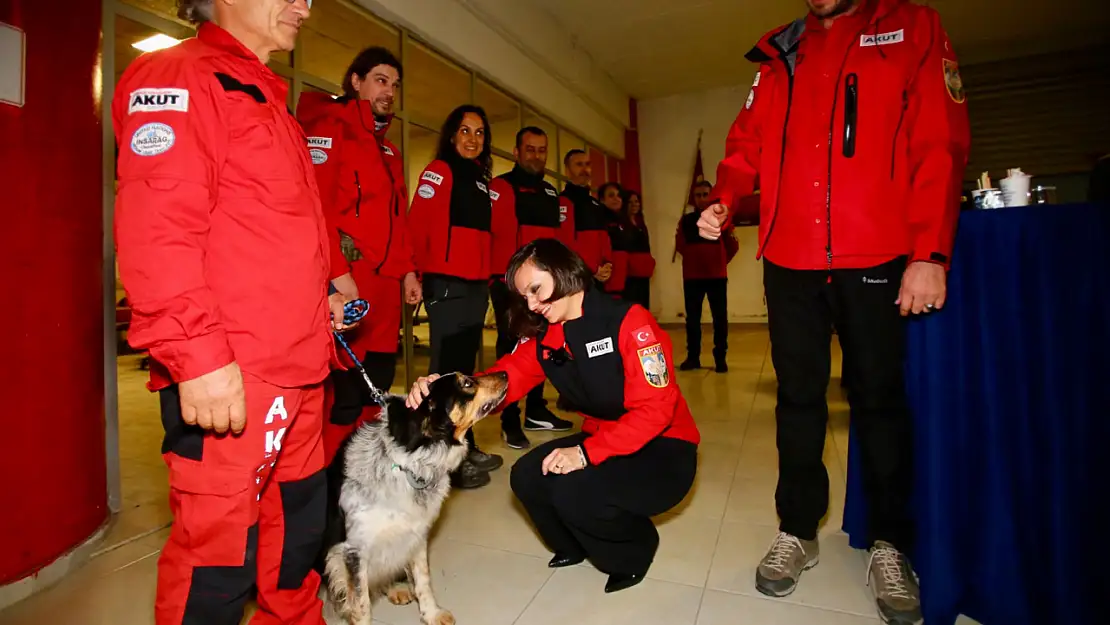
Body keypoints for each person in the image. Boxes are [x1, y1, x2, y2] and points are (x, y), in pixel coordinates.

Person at [696, 0, 970, 622]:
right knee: (797, 400)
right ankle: (798, 529)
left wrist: (929, 252)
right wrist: (726, 197)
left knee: (877, 398)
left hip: (874, 251)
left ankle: (890, 543)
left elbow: (939, 140)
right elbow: (746, 143)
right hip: (789, 257)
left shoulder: (911, 27)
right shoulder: (779, 52)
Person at [112, 1, 345, 624]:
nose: (304, 5)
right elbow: (158, 229)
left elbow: (273, 228)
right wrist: (197, 359)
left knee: (297, 531)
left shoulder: (268, 94)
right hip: (235, 371)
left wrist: (325, 299)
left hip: (300, 365)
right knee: (218, 557)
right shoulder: (180, 77)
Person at [405, 239, 700, 594]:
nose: (531, 304)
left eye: (536, 289)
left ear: (564, 272)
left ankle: (634, 549)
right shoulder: (547, 337)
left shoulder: (629, 322)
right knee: (528, 476)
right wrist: (444, 386)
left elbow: (656, 411)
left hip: (664, 449)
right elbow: (504, 378)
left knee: (575, 491)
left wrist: (584, 454)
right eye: (524, 296)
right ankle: (574, 545)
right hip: (604, 440)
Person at [296, 46, 422, 466]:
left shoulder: (390, 152)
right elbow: (315, 209)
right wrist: (338, 275)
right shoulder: (331, 127)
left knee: (378, 387)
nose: (390, 91)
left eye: (395, 84)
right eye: (381, 80)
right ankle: (329, 487)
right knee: (344, 394)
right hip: (349, 284)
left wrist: (408, 274)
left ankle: (365, 478)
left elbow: (398, 219)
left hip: (386, 294)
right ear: (356, 81)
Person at [408, 104, 503, 488]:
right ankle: (442, 461)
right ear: (451, 136)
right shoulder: (439, 171)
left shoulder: (482, 180)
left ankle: (464, 445)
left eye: (479, 133)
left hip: (476, 285)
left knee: (465, 375)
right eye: (465, 131)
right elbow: (417, 224)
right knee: (445, 375)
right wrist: (412, 274)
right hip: (447, 282)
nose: (472, 139)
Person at [489, 126, 575, 449]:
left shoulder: (552, 193)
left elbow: (558, 242)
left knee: (545, 344)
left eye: (542, 150)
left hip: (545, 285)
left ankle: (536, 411)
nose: (536, 155)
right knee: (511, 348)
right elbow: (492, 235)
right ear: (516, 152)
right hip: (508, 284)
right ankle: (509, 419)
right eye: (530, 149)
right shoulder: (500, 187)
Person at [675, 180, 738, 373]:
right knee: (692, 319)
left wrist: (718, 261)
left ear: (711, 196)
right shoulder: (685, 220)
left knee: (720, 318)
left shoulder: (722, 217)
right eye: (698, 195)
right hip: (692, 277)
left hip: (716, 276)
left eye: (705, 194)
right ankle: (693, 357)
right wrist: (696, 257)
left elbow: (732, 245)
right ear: (693, 198)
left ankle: (721, 358)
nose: (702, 198)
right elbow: (680, 244)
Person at [558, 149, 613, 287]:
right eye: (579, 164)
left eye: (587, 164)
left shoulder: (596, 205)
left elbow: (605, 240)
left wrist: (607, 264)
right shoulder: (561, 202)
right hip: (574, 278)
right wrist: (592, 268)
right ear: (567, 170)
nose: (584, 169)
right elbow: (565, 244)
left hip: (599, 280)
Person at [621, 190, 656, 309]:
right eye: (630, 202)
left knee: (643, 303)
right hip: (629, 273)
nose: (634, 204)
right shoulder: (622, 224)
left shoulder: (641, 222)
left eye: (636, 201)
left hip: (642, 271)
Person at [598, 182, 631, 298]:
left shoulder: (624, 220)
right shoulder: (600, 218)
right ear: (602, 199)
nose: (616, 199)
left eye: (619, 195)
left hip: (623, 275)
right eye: (611, 195)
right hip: (607, 274)